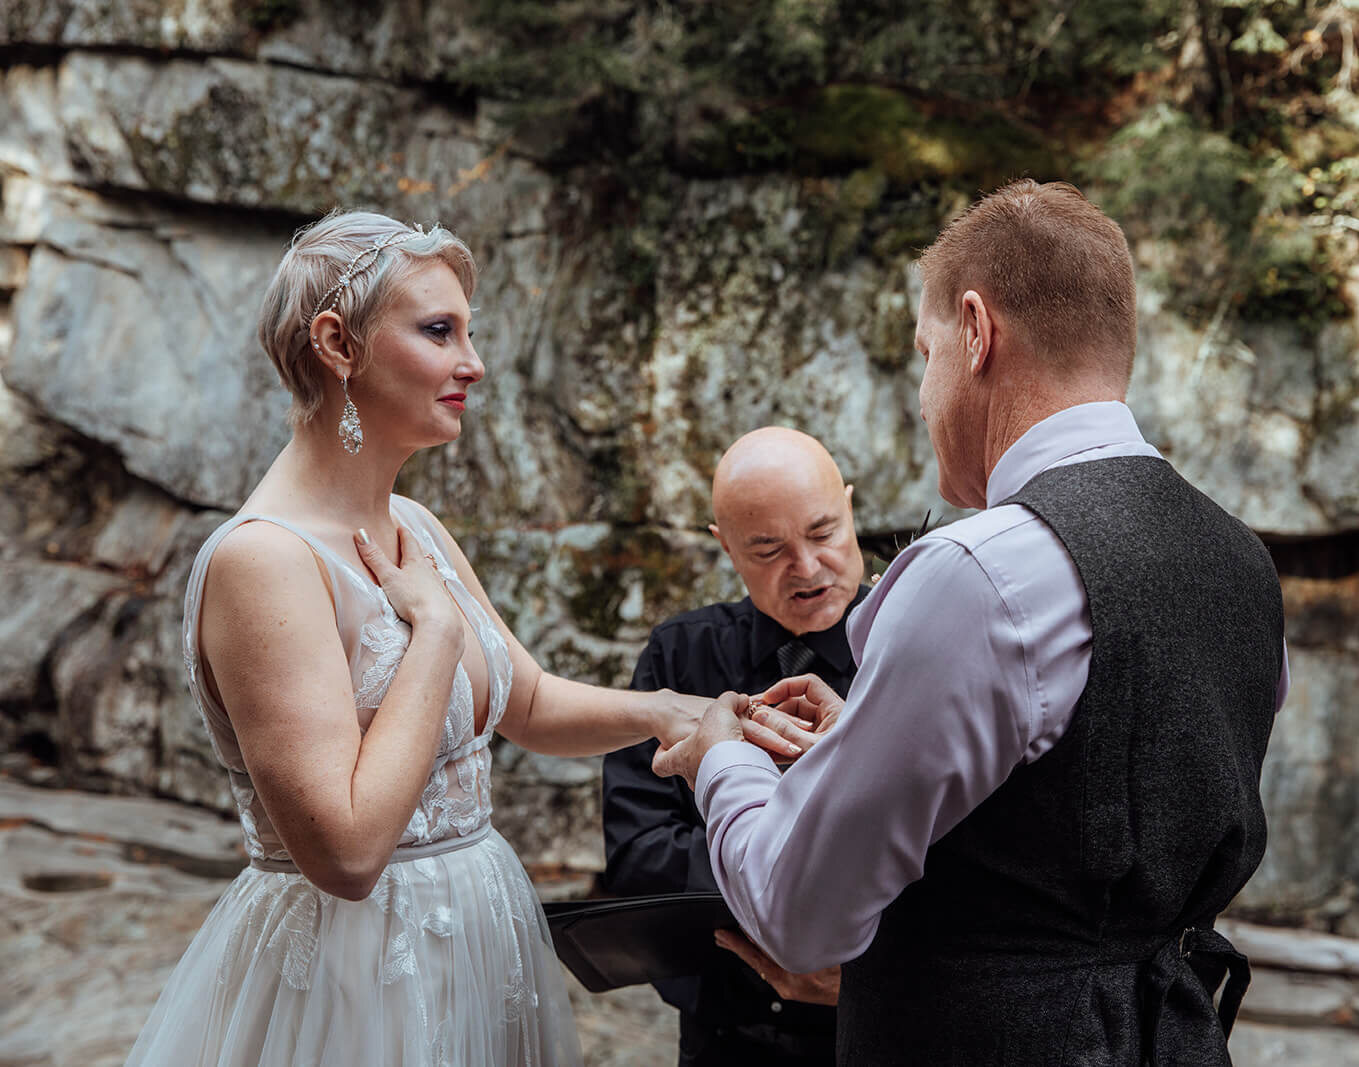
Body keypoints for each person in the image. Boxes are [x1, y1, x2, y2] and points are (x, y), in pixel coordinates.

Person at [655, 180, 1290, 1065]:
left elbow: (802, 915)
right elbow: (1096, 817)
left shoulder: (979, 572)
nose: (925, 394)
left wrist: (721, 755)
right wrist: (869, 744)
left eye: (925, 353)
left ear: (976, 330)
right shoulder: (1242, 561)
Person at [124, 210, 721, 1067]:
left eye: (467, 333)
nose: (472, 364)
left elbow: (532, 701)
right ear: (337, 344)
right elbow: (348, 849)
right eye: (439, 332)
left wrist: (680, 709)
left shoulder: (417, 525)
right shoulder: (263, 561)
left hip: (480, 942)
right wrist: (436, 628)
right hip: (350, 981)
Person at [601, 427, 867, 1066]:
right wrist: (796, 878)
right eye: (768, 548)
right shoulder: (680, 655)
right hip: (725, 1028)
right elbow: (639, 853)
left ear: (851, 509)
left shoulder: (913, 643)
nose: (805, 569)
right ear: (725, 547)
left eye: (824, 533)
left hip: (872, 1024)